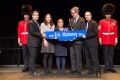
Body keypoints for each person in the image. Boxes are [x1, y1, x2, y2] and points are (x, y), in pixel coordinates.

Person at [98, 3, 118, 73]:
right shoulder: (101, 22)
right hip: (105, 40)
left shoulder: (114, 21)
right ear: (105, 14)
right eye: (107, 14)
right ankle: (106, 67)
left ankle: (111, 67)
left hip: (112, 40)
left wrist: (116, 40)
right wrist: (100, 39)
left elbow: (115, 31)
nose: (108, 15)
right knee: (105, 54)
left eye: (109, 13)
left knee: (111, 54)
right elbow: (100, 31)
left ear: (111, 14)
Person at [82, 11, 101, 78]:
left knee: (94, 59)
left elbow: (95, 33)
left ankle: (98, 72)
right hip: (86, 44)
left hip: (93, 44)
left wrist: (86, 36)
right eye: (85, 15)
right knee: (88, 59)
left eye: (87, 15)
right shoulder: (85, 24)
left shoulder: (94, 23)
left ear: (91, 16)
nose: (86, 16)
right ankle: (90, 71)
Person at [68, 6, 86, 75]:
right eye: (71, 13)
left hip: (78, 41)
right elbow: (69, 30)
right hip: (71, 41)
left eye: (73, 13)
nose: (72, 15)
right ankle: (73, 69)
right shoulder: (70, 20)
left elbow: (82, 31)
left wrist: (76, 37)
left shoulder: (82, 20)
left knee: (78, 56)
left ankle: (78, 70)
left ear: (77, 13)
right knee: (72, 56)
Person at [27, 10, 45, 76]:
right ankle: (32, 71)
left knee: (34, 57)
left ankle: (31, 70)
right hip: (32, 43)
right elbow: (32, 32)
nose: (36, 16)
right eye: (35, 15)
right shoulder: (31, 23)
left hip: (36, 43)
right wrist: (41, 35)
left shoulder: (37, 23)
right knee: (32, 57)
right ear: (32, 16)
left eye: (37, 15)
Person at [18, 5, 32, 72]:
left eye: (27, 15)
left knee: (29, 54)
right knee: (24, 54)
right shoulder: (20, 23)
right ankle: (25, 67)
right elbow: (19, 32)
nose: (26, 16)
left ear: (29, 16)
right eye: (25, 15)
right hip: (23, 41)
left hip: (29, 41)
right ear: (23, 15)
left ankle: (29, 67)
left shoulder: (31, 22)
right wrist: (19, 41)